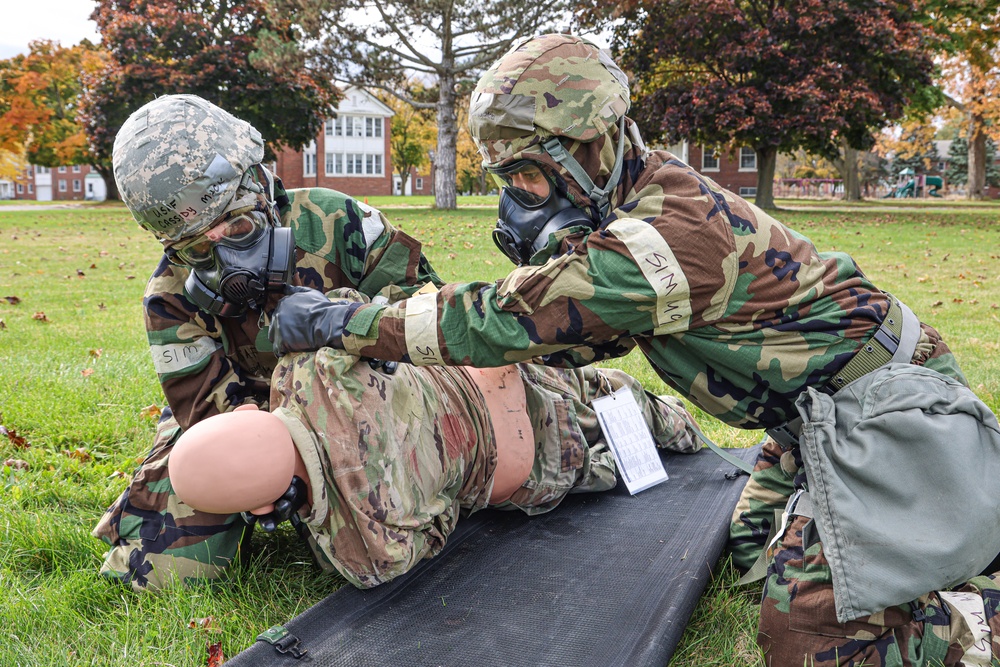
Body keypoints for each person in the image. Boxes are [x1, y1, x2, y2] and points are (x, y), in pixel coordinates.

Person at [266, 34, 1000, 665]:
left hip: (885, 412)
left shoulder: (669, 235)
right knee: (747, 551)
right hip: (808, 413)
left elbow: (508, 319)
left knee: (806, 637)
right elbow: (563, 332)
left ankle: (980, 617)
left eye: (529, 176)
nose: (521, 201)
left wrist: (345, 322)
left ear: (590, 147)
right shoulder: (640, 204)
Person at [93, 94, 442, 591]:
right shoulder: (169, 298)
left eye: (238, 226)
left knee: (373, 533)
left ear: (261, 184)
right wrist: (261, 466)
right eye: (197, 247)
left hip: (360, 400)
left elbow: (426, 331)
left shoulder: (340, 222)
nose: (227, 259)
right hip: (245, 418)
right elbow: (211, 411)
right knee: (162, 572)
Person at [167, 289, 701, 589]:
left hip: (534, 456)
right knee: (607, 391)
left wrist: (316, 518)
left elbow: (446, 521)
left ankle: (675, 428)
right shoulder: (305, 367)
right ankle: (671, 417)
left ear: (265, 505)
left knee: (615, 452)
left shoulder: (363, 547)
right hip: (491, 368)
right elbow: (358, 311)